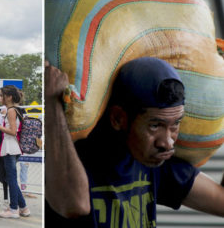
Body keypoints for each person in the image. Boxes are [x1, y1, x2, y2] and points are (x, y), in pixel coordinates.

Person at [45, 57, 224, 227]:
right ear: (118, 118)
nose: (168, 142)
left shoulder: (156, 163)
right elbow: (73, 204)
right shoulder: (69, 154)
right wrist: (53, 102)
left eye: (175, 124)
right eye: (155, 126)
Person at [0, 85, 30, 219]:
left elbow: (12, 131)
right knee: (10, 178)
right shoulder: (15, 109)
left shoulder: (11, 110)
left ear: (9, 97)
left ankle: (13, 209)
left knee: (10, 178)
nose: (0, 98)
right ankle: (23, 207)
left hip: (10, 147)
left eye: (2, 95)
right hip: (11, 147)